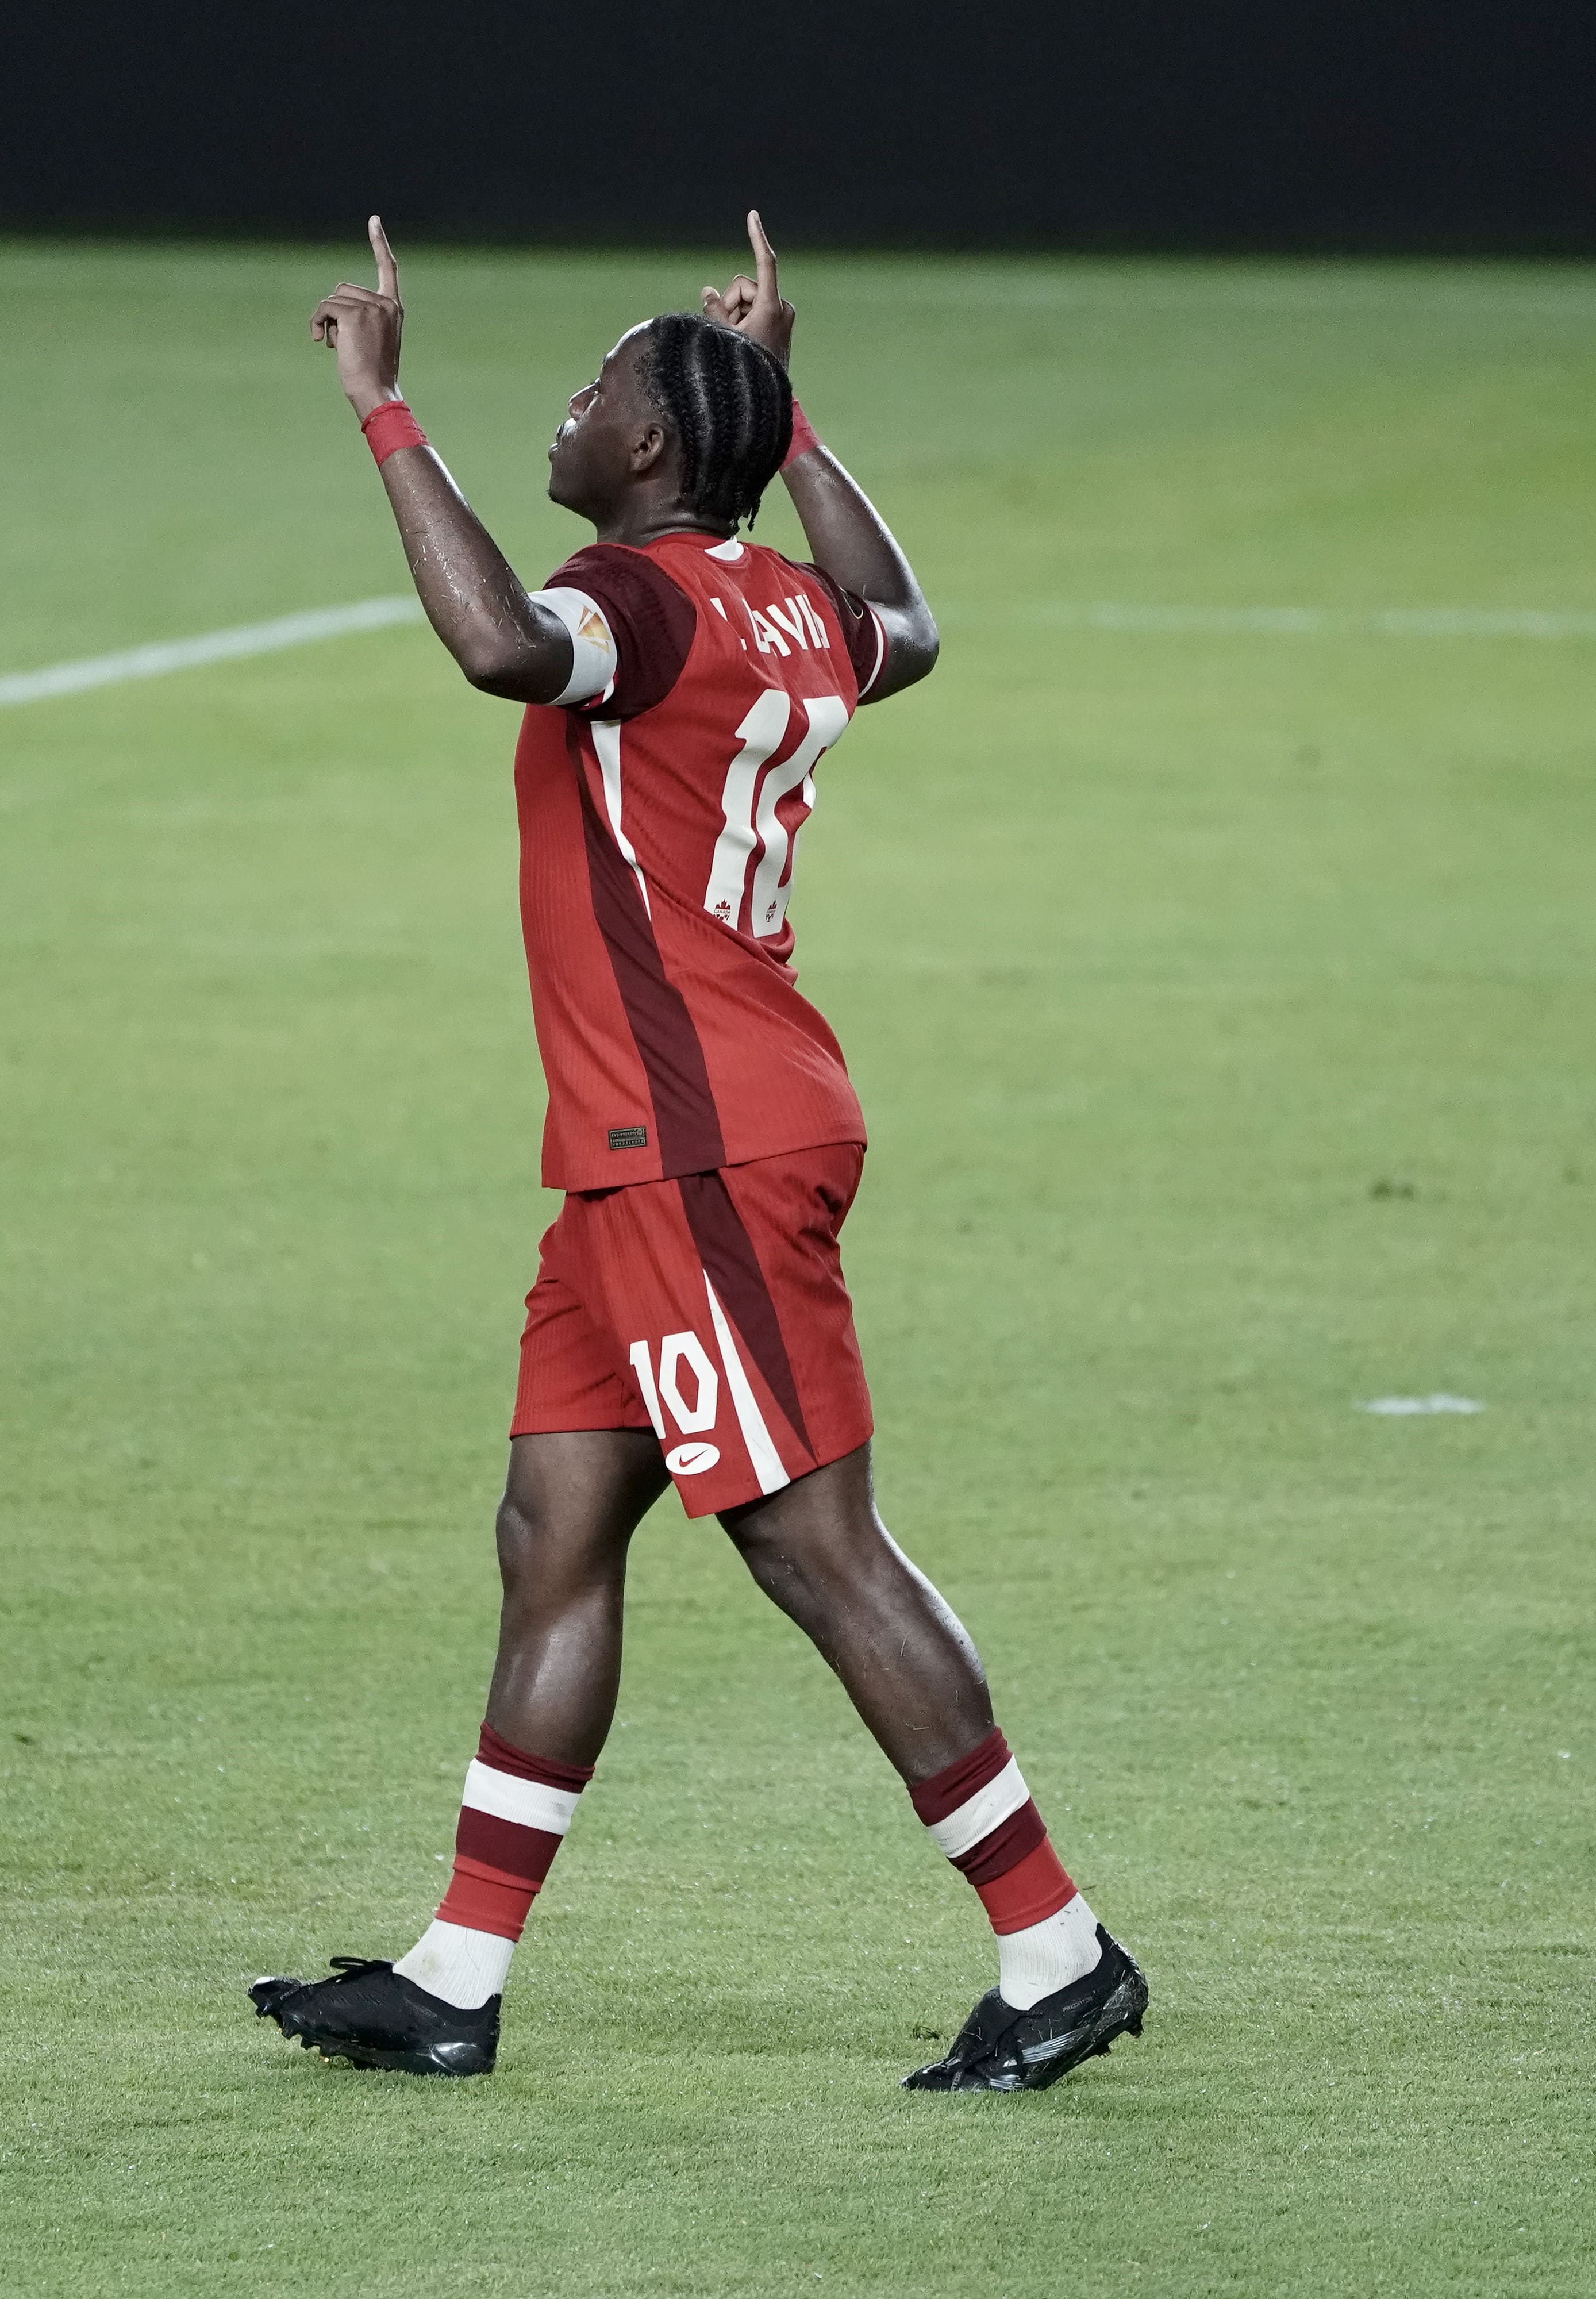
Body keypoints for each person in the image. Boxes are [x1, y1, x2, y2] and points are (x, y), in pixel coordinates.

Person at [249, 216, 1145, 2092]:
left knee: (818, 1548)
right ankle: (456, 1980)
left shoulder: (638, 604)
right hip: (650, 1158)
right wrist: (795, 419)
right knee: (551, 1534)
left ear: (652, 452)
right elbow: (909, 623)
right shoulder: (788, 612)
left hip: (700, 1152)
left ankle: (1058, 1949)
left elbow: (501, 643)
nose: (570, 410)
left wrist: (385, 415)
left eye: (599, 390)